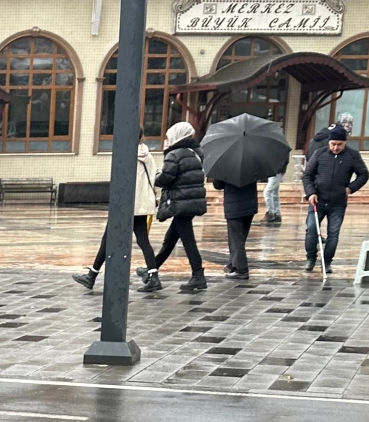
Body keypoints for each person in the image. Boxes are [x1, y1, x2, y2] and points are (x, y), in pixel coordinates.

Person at [73, 139, 160, 294]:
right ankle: (153, 276)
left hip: (124, 205)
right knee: (143, 240)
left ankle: (91, 276)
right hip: (141, 203)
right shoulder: (148, 155)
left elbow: (120, 180)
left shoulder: (126, 155)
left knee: (107, 239)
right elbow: (154, 178)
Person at [302, 124, 369, 273]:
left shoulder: (353, 155)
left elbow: (364, 174)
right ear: (329, 142)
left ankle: (327, 262)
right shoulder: (319, 153)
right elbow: (307, 175)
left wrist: (350, 188)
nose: (335, 147)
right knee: (311, 230)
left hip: (337, 203)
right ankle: (311, 258)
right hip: (317, 200)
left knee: (333, 234)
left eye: (339, 144)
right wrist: (311, 193)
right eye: (333, 144)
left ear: (345, 143)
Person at [152, 121, 208, 293]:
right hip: (190, 201)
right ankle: (151, 268)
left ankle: (198, 276)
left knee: (188, 240)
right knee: (170, 239)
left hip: (180, 202)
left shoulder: (175, 155)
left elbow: (166, 179)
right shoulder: (196, 153)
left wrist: (154, 176)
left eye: (169, 138)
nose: (167, 141)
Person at [214, 176, 259, 280]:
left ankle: (241, 269)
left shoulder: (226, 165)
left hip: (235, 205)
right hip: (250, 204)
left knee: (235, 238)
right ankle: (233, 263)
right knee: (240, 237)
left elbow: (218, 184)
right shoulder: (251, 162)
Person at [262, 153, 290, 226]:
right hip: (274, 172)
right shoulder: (275, 148)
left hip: (276, 172)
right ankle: (277, 214)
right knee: (274, 193)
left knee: (267, 192)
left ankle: (270, 212)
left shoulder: (281, 149)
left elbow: (284, 161)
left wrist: (277, 169)